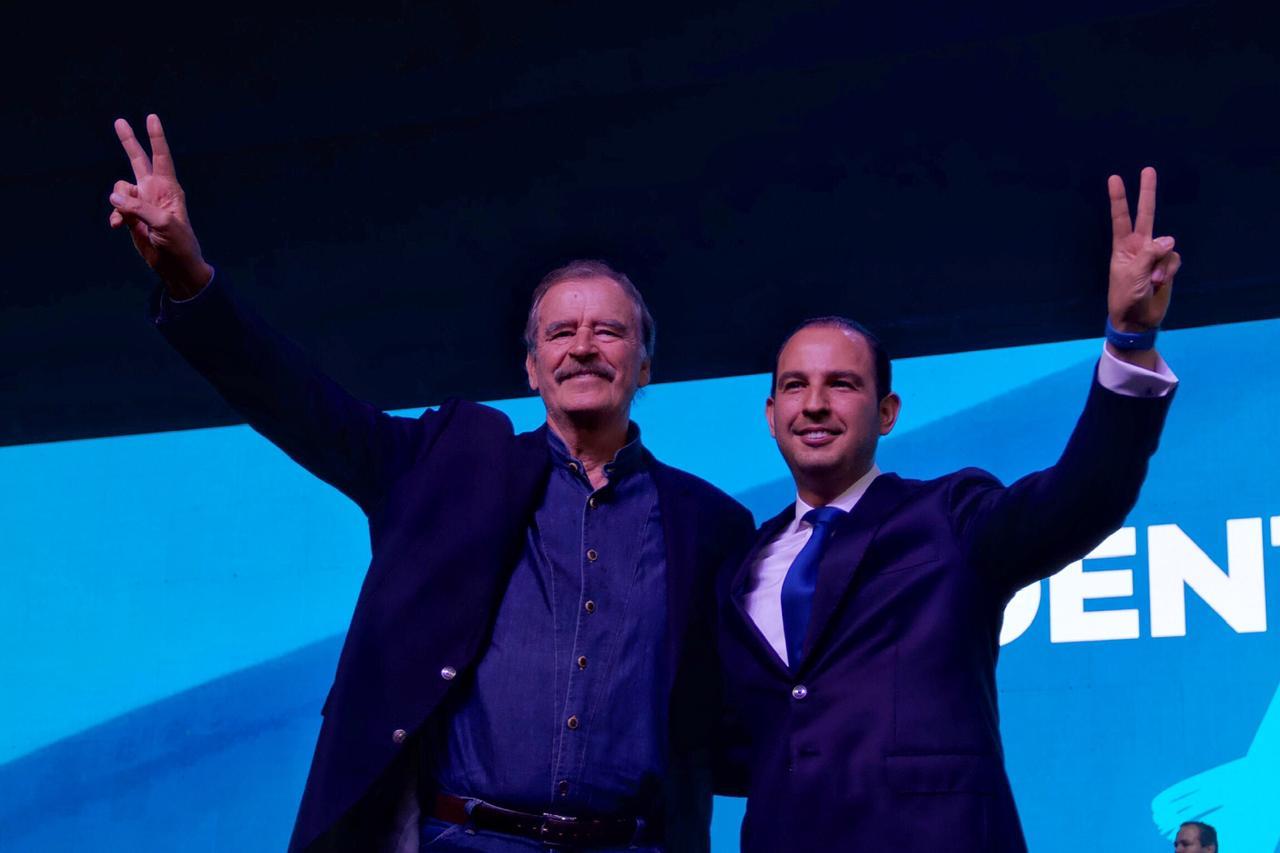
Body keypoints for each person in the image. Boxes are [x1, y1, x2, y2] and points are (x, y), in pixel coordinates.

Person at [106, 114, 754, 853]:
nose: (582, 347)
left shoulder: (710, 524)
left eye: (608, 331)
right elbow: (301, 405)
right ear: (532, 368)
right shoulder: (445, 464)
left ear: (644, 364)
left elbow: (750, 715)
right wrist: (190, 279)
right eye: (559, 333)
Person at [715, 167, 1181, 852]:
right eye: (794, 386)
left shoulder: (950, 517)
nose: (813, 404)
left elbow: (1080, 498)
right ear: (770, 413)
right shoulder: (742, 565)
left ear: (886, 412)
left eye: (841, 384)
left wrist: (1129, 342)